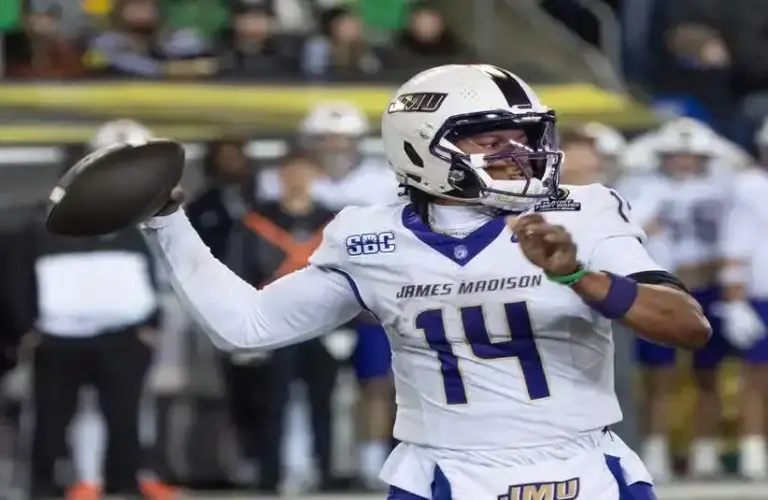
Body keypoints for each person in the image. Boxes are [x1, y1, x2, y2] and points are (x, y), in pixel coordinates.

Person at [142, 64, 710, 499]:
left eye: (526, 136)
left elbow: (686, 325)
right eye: (490, 141)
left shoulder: (582, 210)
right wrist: (166, 222)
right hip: (443, 474)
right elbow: (248, 326)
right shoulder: (369, 235)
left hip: (583, 468)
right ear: (421, 146)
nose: (518, 154)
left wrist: (578, 275)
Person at [16, 119, 168, 499]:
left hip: (124, 335)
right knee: (51, 421)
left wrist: (151, 323)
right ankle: (47, 486)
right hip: (57, 335)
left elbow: (156, 275)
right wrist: (26, 328)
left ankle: (124, 484)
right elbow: (18, 275)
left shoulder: (154, 219)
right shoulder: (45, 219)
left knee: (125, 417)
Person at [259, 101, 400, 490]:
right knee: (303, 386)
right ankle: (300, 463)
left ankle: (373, 463)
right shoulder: (284, 180)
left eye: (343, 138)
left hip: (369, 297)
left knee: (376, 383)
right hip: (311, 294)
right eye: (326, 138)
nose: (335, 146)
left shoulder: (385, 179)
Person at [626, 119, 731, 481]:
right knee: (658, 377)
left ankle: (705, 451)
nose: (684, 161)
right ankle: (654, 449)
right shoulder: (641, 187)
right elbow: (629, 227)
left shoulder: (724, 186)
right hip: (662, 286)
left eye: (691, 155)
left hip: (708, 285)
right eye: (676, 155)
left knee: (709, 375)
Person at [238, 152, 338, 491]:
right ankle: (270, 475)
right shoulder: (256, 220)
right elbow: (239, 270)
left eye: (304, 171)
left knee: (323, 402)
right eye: (290, 172)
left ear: (316, 174)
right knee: (272, 400)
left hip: (324, 323)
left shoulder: (335, 221)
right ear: (280, 175)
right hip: (274, 322)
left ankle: (324, 473)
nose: (297, 178)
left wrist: (349, 324)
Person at [719, 117, 768, 479]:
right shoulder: (750, 187)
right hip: (762, 295)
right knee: (758, 377)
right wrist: (735, 301)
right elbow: (736, 246)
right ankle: (753, 448)